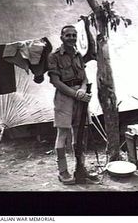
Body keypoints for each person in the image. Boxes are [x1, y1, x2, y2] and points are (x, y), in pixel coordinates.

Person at [48, 25, 97, 185]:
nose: (71, 38)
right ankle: (63, 171)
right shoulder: (54, 56)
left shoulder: (78, 55)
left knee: (80, 134)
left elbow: (84, 78)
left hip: (80, 97)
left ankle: (80, 169)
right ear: (62, 37)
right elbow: (56, 81)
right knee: (63, 134)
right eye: (68, 35)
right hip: (64, 97)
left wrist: (82, 90)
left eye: (74, 35)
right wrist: (76, 93)